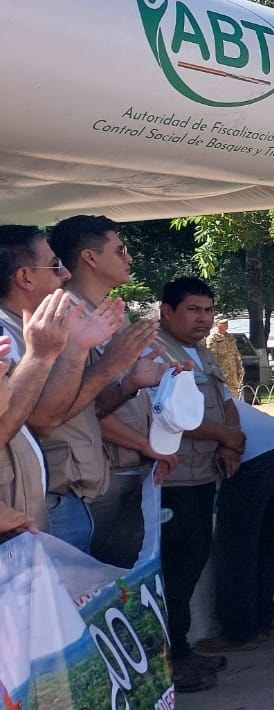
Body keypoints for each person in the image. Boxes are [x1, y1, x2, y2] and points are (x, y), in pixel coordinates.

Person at [0, 227, 135, 555]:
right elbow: (41, 421)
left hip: (54, 500)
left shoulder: (38, 327)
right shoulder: (7, 333)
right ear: (25, 277)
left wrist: (124, 379)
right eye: (54, 265)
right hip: (34, 509)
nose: (65, 274)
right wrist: (99, 362)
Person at [50, 217, 175, 569]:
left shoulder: (111, 314)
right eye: (120, 250)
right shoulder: (66, 315)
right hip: (97, 476)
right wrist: (145, 444)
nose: (129, 258)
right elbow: (68, 408)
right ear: (89, 257)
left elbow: (118, 387)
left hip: (128, 468)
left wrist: (150, 379)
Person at [153, 277, 245, 690]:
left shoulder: (204, 352)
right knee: (173, 572)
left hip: (203, 474)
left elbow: (226, 401)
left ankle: (182, 651)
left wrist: (231, 443)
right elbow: (169, 415)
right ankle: (172, 658)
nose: (203, 319)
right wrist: (227, 437)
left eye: (208, 310)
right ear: (167, 311)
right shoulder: (154, 351)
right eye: (193, 309)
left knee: (191, 563)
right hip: (171, 479)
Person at [199, 399, 274, 654]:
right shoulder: (212, 389)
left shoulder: (169, 393)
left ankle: (239, 632)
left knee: (235, 547)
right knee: (266, 543)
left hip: (256, 458)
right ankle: (261, 622)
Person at [205, 319, 245, 399]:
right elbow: (211, 357)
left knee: (234, 395)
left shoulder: (230, 337)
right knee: (222, 395)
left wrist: (239, 367)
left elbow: (236, 354)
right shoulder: (213, 338)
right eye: (223, 323)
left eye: (226, 323)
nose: (226, 325)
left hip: (233, 372)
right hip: (222, 372)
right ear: (217, 325)